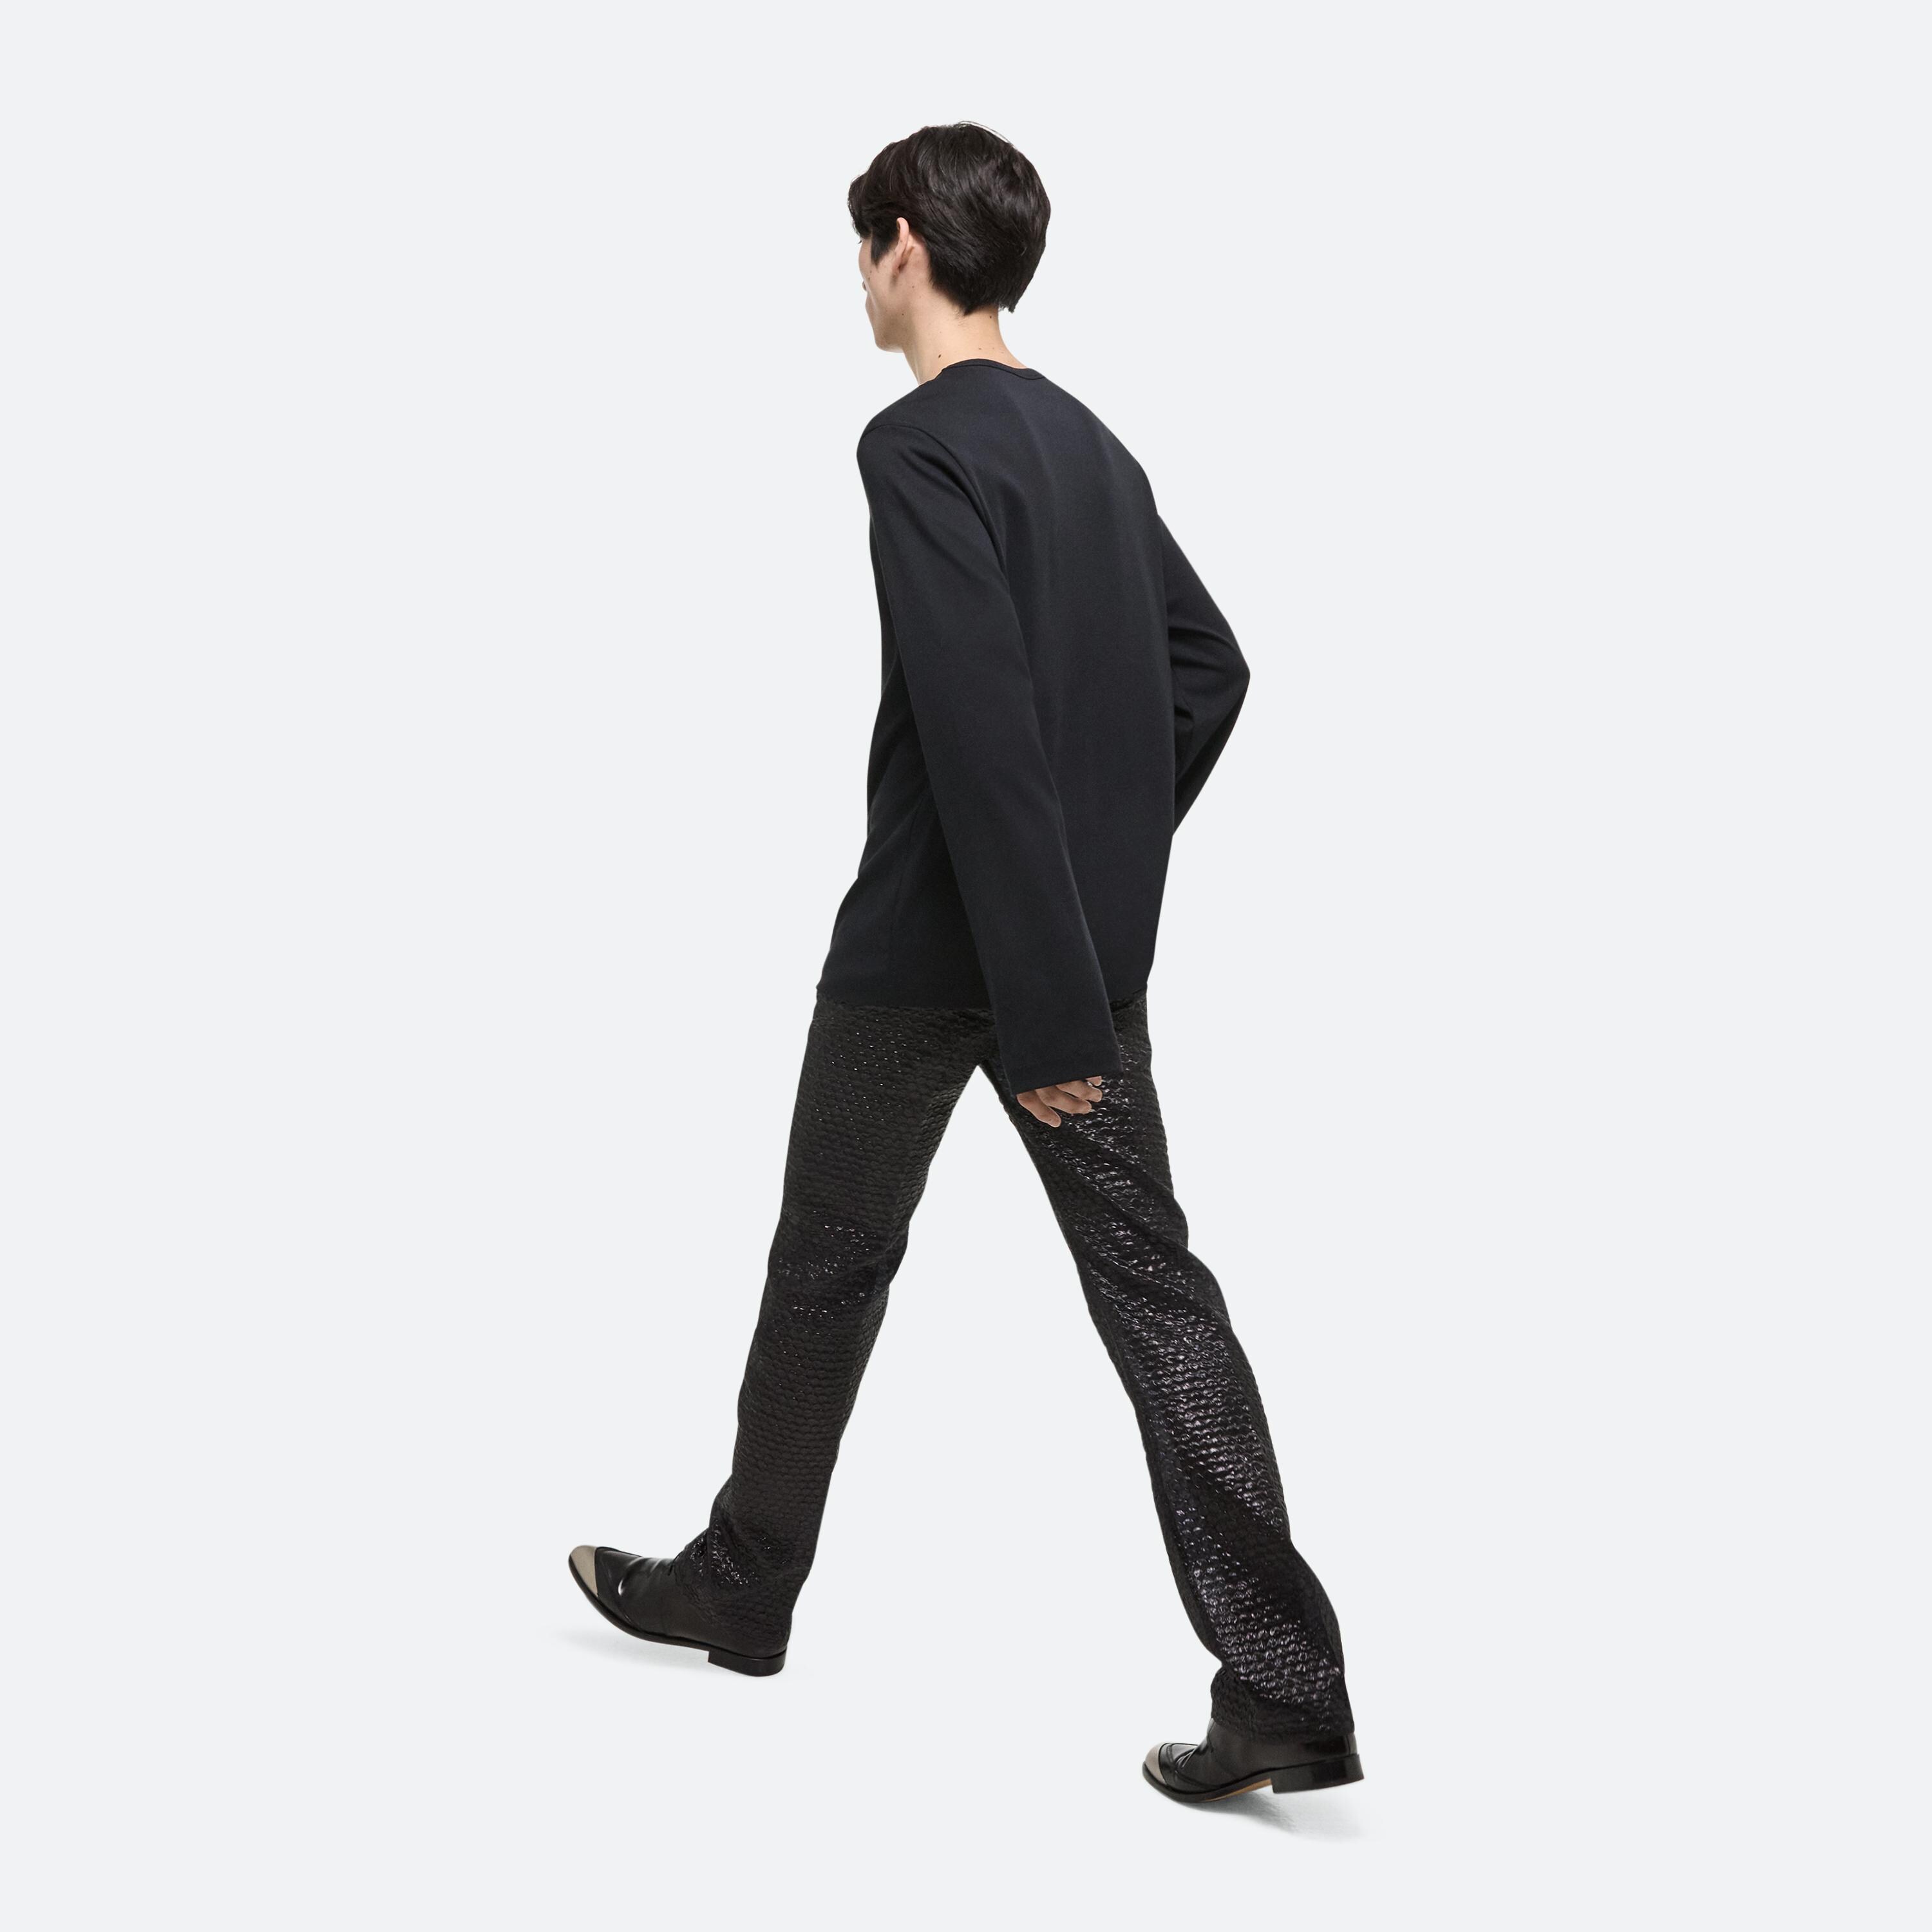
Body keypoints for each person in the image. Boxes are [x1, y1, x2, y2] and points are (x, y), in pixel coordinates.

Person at [568, 122, 1361, 1804]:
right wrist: (1089, 904)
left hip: (932, 952)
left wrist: (1050, 999)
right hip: (1066, 951)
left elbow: (982, 726)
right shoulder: (1090, 447)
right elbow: (1208, 670)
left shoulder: (915, 446)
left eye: (862, 250)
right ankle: (1287, 1686)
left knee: (830, 1263)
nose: (859, 283)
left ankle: (747, 1580)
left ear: (906, 246)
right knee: (1158, 1297)